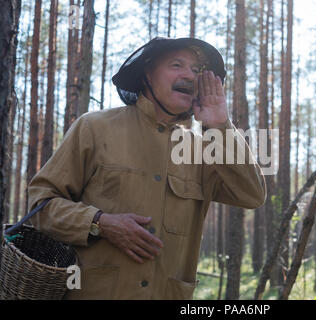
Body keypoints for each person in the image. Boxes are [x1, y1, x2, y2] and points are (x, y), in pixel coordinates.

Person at [27, 37, 266, 299]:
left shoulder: (205, 150)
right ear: (147, 75)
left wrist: (220, 125)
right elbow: (41, 205)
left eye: (196, 70)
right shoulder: (94, 128)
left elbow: (252, 194)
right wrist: (100, 223)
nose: (189, 75)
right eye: (177, 65)